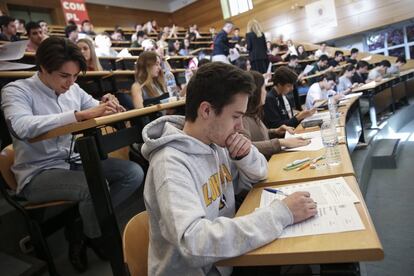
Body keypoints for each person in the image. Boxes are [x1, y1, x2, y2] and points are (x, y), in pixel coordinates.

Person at [141, 62, 317, 275]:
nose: (240, 126)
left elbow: (258, 175)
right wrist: (282, 213)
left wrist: (245, 155)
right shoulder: (170, 164)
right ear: (206, 110)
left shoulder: (216, 144)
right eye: (235, 116)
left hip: (225, 260)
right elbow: (195, 243)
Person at [1, 37, 144, 272]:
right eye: (64, 76)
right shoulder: (16, 90)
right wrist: (77, 116)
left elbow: (94, 106)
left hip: (73, 162)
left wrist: (107, 101)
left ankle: (83, 227)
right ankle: (94, 235)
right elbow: (22, 126)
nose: (70, 83)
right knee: (93, 186)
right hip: (38, 172)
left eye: (75, 76)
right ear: (43, 69)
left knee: (133, 173)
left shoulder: (73, 88)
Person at [241, 71, 311, 159]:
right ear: (255, 92)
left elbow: (261, 135)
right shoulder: (243, 119)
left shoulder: (254, 114)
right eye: (263, 89)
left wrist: (275, 131)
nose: (265, 92)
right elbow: (246, 147)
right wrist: (280, 142)